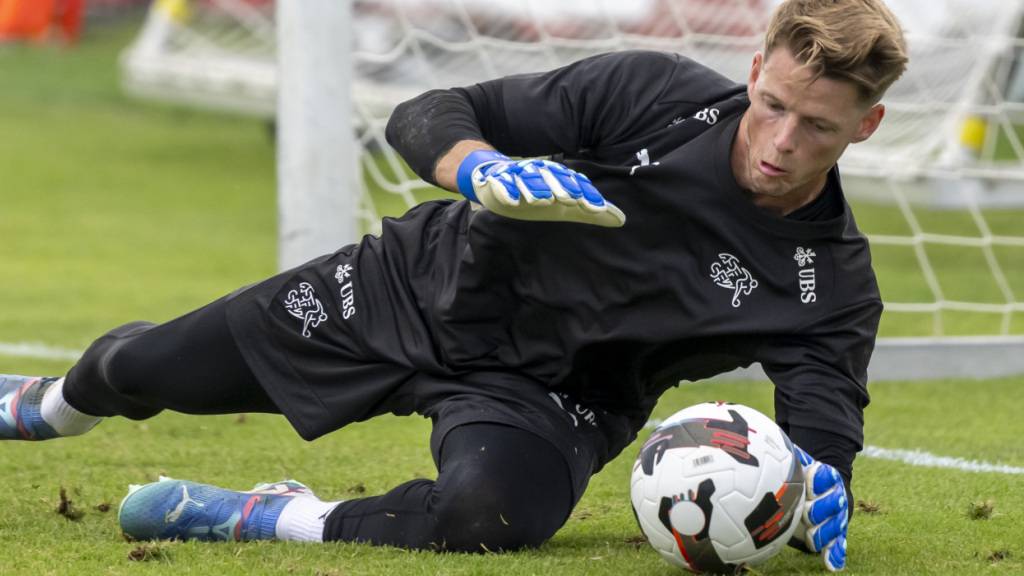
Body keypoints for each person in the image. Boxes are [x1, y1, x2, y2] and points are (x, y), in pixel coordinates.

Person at [0, 0, 907, 571]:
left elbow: (821, 443)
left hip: (552, 401)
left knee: (486, 515)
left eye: (818, 127)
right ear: (754, 73)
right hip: (412, 290)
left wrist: (812, 494)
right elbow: (433, 112)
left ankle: (271, 515)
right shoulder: (652, 95)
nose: (782, 142)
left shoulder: (830, 286)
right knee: (137, 370)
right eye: (773, 105)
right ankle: (47, 407)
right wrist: (482, 170)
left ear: (864, 128)